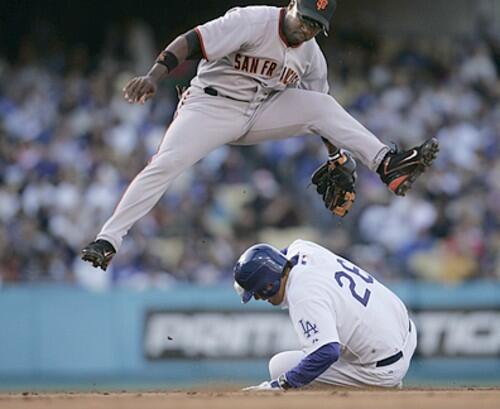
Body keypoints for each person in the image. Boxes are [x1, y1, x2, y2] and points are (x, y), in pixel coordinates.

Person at [81, 0, 439, 270]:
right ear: (292, 6)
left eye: (318, 26)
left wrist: (336, 155)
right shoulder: (252, 21)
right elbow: (191, 41)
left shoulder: (311, 55)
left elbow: (321, 109)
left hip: (261, 113)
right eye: (307, 20)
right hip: (211, 107)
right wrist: (154, 76)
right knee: (166, 164)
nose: (310, 30)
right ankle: (108, 239)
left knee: (323, 105)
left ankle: (386, 163)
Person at [234, 239, 417, 390]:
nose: (257, 297)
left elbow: (327, 352)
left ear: (268, 286)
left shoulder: (302, 294)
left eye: (256, 292)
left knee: (280, 366)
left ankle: (383, 388)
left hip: (382, 368)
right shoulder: (301, 248)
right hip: (405, 330)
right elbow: (282, 253)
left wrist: (282, 384)